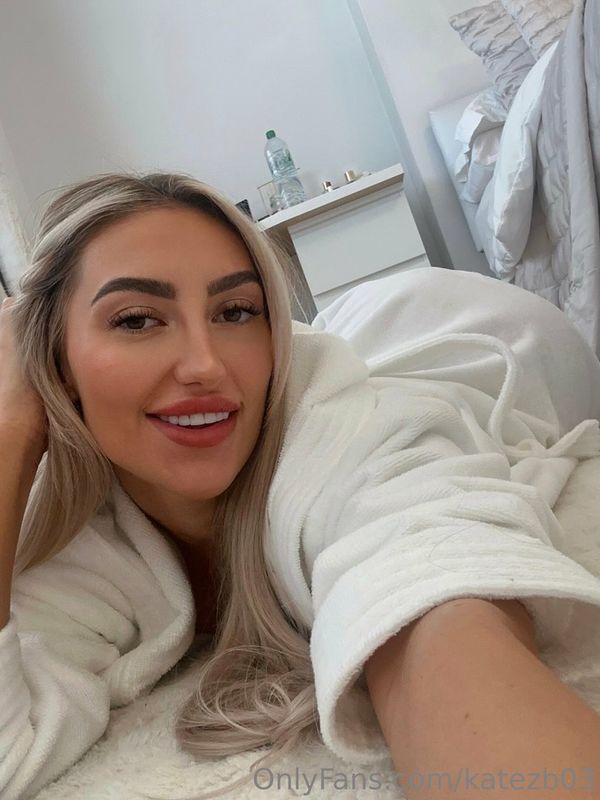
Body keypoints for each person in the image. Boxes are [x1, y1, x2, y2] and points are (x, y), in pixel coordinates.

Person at [1, 172, 600, 800]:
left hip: (476, 324)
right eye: (137, 320)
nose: (206, 365)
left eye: (237, 311)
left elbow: (429, 580)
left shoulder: (356, 442)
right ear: (54, 361)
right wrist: (11, 435)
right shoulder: (71, 528)